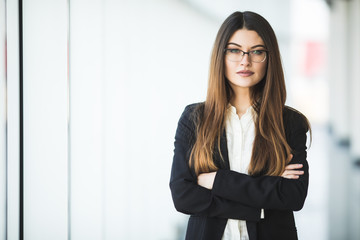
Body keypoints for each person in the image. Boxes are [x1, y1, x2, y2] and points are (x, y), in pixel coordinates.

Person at [169, 11, 311, 240]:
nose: (245, 60)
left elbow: (293, 196)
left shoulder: (290, 123)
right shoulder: (194, 119)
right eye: (235, 50)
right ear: (221, 56)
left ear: (269, 57)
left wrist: (216, 180)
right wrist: (260, 202)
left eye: (256, 52)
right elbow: (183, 195)